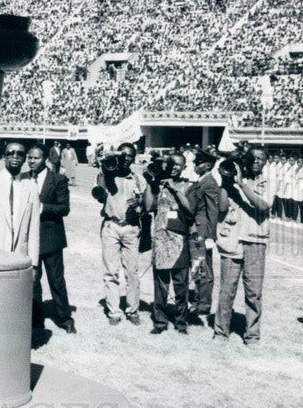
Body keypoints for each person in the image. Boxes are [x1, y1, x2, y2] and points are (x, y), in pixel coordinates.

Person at [213, 147, 272, 346]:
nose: (256, 161)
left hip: (255, 241)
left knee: (253, 292)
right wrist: (225, 183)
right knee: (226, 290)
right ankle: (221, 332)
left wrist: (242, 185)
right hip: (232, 240)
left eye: (261, 158)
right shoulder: (233, 178)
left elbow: (263, 206)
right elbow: (221, 208)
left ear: (266, 162)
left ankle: (252, 335)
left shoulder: (267, 182)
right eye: (252, 158)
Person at [0, 142, 42, 327]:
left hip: (19, 254)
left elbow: (34, 226)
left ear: (25, 158)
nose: (15, 156)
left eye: (20, 153)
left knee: (15, 301)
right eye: (10, 153)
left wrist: (33, 263)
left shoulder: (31, 186)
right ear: (4, 156)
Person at [92, 143, 146, 326]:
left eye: (130, 155)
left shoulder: (138, 178)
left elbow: (147, 205)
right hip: (111, 225)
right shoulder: (107, 173)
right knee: (111, 271)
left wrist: (138, 203)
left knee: (132, 272)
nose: (126, 158)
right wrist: (103, 169)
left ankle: (133, 309)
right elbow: (98, 195)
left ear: (134, 157)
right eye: (122, 155)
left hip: (131, 227)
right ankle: (114, 311)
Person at [25, 144, 75, 333]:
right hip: (29, 239)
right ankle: (36, 319)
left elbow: (64, 208)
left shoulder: (58, 179)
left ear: (45, 159)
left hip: (51, 238)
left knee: (56, 280)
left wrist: (42, 208)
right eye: (29, 158)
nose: (31, 161)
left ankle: (65, 318)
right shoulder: (22, 179)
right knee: (33, 280)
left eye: (35, 158)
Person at [145, 153, 194, 335]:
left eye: (178, 165)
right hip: (160, 239)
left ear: (184, 167)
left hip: (179, 240)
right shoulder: (158, 184)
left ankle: (181, 321)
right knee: (160, 284)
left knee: (181, 284)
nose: (174, 168)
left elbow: (190, 209)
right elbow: (149, 206)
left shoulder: (188, 185)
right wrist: (151, 184)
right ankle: (160, 321)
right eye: (171, 164)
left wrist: (174, 189)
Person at [187, 148, 227, 317]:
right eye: (195, 162)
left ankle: (202, 304)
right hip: (198, 228)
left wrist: (211, 236)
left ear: (208, 165)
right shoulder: (202, 181)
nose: (196, 165)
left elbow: (213, 211)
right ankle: (199, 299)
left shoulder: (209, 183)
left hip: (201, 231)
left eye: (199, 163)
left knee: (201, 267)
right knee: (199, 267)